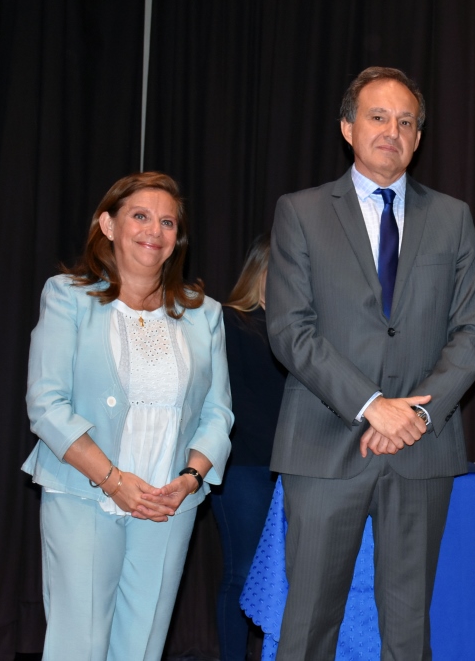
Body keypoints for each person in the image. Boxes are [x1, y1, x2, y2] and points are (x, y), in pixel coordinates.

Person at [265, 66, 475, 659]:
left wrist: (414, 416)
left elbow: (471, 333)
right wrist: (372, 406)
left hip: (421, 448)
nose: (393, 131)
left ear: (419, 138)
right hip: (323, 445)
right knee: (308, 627)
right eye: (379, 117)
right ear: (348, 128)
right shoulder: (301, 212)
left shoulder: (453, 217)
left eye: (406, 122)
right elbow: (289, 329)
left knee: (409, 632)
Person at [23, 172, 233, 661]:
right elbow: (47, 404)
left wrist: (189, 480)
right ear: (108, 225)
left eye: (167, 222)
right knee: (79, 646)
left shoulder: (204, 314)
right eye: (140, 216)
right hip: (84, 493)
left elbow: (218, 412)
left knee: (142, 647)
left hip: (168, 504)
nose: (154, 231)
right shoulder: (67, 296)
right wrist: (113, 480)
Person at [210, 233, 286, 660]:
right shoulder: (229, 321)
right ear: (261, 269)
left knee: (293, 576)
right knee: (243, 572)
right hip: (245, 467)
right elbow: (228, 402)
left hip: (295, 469)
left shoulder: (302, 333)